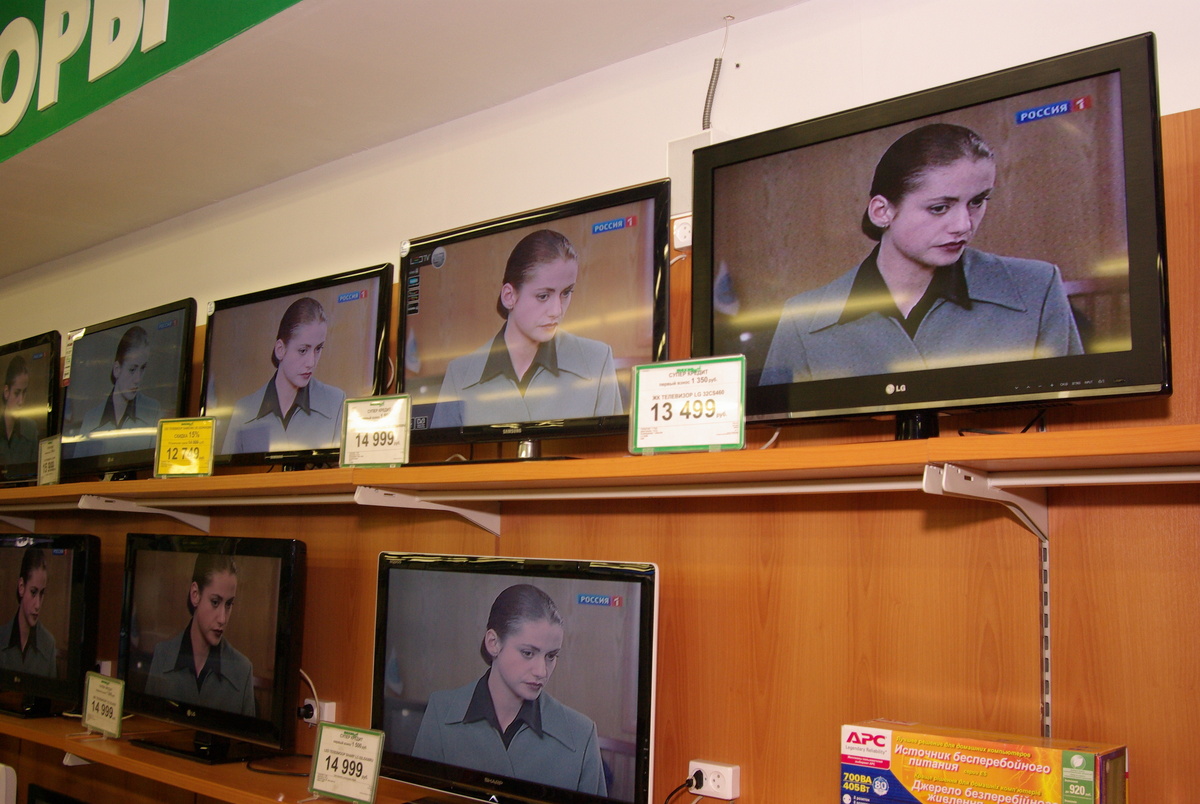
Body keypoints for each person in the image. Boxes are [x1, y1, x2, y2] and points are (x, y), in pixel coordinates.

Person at [760, 123, 1084, 385]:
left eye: (977, 201)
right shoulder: (802, 320)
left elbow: (1072, 419)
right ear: (882, 211)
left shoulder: (1037, 286)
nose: (964, 225)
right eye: (939, 207)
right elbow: (778, 438)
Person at [411, 584, 607, 796]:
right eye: (528, 653)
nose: (541, 671)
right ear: (493, 643)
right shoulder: (441, 710)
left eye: (551, 656)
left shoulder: (582, 734)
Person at [430, 230, 622, 428]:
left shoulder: (597, 360)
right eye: (543, 296)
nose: (557, 311)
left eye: (566, 292)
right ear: (509, 296)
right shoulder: (459, 374)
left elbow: (614, 446)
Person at [222, 297, 345, 454]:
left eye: (318, 349)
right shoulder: (243, 410)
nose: (311, 362)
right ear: (280, 349)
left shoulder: (336, 401)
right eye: (303, 350)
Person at [144, 553, 256, 716]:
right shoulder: (163, 655)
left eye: (229, 604)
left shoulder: (243, 669)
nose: (222, 619)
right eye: (215, 602)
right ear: (195, 594)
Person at [69, 326, 162, 456]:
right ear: (117, 369)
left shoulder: (153, 410)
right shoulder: (91, 418)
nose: (138, 379)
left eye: (142, 368)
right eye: (132, 369)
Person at [0, 548, 57, 677]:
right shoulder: (1, 637)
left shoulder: (48, 644)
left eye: (42, 593)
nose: (38, 605)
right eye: (33, 592)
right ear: (21, 587)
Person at [0, 356, 38, 469]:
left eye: (24, 392)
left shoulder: (31, 428)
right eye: (17, 393)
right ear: (6, 392)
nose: (21, 401)